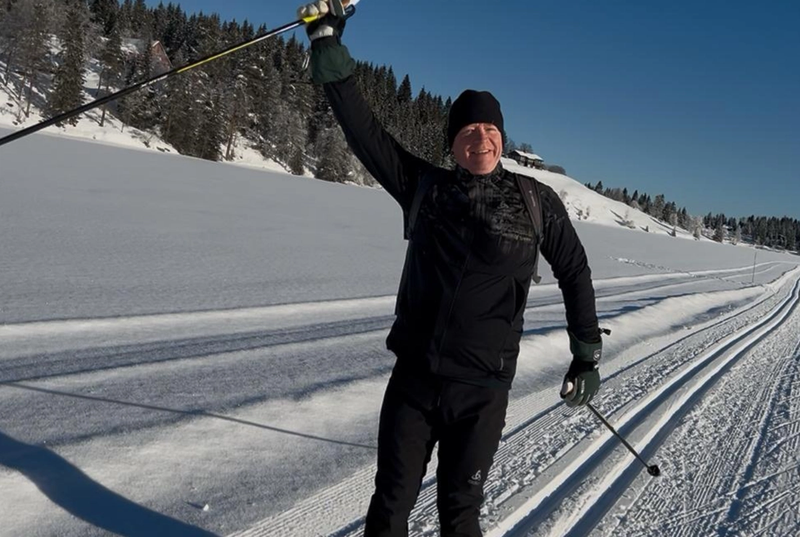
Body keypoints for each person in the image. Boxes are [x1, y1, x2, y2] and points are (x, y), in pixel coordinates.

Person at [297, 2, 603, 535]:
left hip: (482, 392)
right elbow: (363, 131)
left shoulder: (536, 201)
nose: (480, 137)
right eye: (468, 130)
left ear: (502, 140)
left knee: (459, 513)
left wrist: (585, 354)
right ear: (452, 143)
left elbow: (574, 272)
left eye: (490, 128)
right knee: (391, 502)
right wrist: (328, 46)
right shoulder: (425, 188)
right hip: (414, 380)